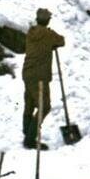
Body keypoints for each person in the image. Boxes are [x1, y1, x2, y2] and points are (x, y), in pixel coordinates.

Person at [22, 8, 65, 149]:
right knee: (44, 106)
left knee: (29, 102)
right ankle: (30, 139)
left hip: (27, 72)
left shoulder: (30, 33)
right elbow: (61, 41)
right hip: (39, 75)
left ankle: (27, 130)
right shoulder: (48, 34)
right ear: (48, 20)